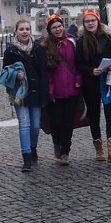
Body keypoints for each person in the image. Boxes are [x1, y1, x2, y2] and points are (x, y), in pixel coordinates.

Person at [1, 19, 49, 171]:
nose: (24, 32)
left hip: (36, 93)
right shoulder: (10, 51)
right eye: (21, 29)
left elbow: (44, 73)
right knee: (24, 125)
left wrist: (45, 94)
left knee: (35, 126)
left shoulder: (38, 49)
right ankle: (26, 158)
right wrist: (16, 75)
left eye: (27, 29)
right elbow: (5, 72)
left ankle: (33, 147)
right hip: (19, 95)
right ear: (16, 31)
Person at [74, 9, 111, 162]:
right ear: (84, 24)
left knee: (110, 113)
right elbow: (78, 64)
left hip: (108, 80)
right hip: (90, 83)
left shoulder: (107, 38)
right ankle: (98, 147)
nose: (90, 23)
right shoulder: (80, 42)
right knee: (94, 115)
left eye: (92, 20)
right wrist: (90, 71)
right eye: (87, 21)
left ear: (98, 21)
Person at [42, 14, 81, 166]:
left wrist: (78, 80)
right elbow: (46, 71)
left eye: (59, 26)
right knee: (56, 121)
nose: (57, 29)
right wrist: (49, 89)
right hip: (55, 91)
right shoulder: (45, 46)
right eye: (54, 27)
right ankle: (57, 143)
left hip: (72, 89)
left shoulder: (72, 42)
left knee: (68, 122)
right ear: (49, 30)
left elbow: (78, 63)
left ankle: (65, 151)